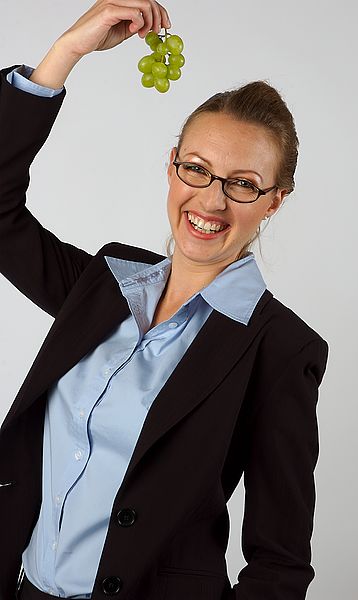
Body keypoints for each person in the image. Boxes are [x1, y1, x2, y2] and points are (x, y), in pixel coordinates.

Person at [0, 1, 329, 599]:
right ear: (171, 167)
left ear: (275, 200)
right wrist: (66, 52)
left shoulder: (279, 348)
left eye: (244, 184)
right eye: (196, 169)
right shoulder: (100, 286)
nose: (211, 200)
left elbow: (278, 562)